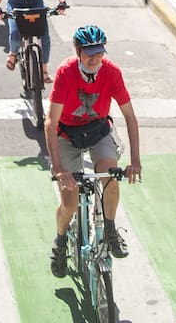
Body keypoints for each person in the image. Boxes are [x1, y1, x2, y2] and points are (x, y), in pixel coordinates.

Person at [47, 25, 142, 275]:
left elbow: (130, 117)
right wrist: (58, 168)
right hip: (67, 134)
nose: (94, 58)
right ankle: (59, 242)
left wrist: (135, 161)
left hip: (98, 130)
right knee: (70, 200)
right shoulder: (66, 72)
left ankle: (109, 228)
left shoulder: (111, 72)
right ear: (78, 52)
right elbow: (51, 122)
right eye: (88, 53)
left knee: (110, 177)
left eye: (99, 52)